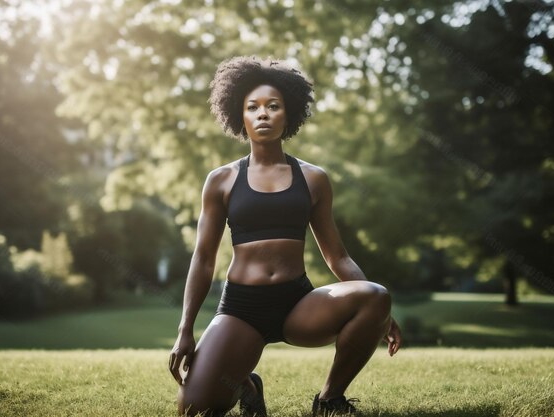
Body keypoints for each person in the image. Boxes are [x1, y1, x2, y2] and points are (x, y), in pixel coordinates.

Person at [168, 56, 402, 417]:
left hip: (298, 305)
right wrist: (185, 329)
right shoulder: (222, 180)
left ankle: (329, 399)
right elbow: (203, 258)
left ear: (288, 114)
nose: (263, 114)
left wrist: (380, 313)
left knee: (376, 295)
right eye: (253, 107)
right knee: (194, 408)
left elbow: (337, 255)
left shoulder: (313, 178)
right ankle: (247, 384)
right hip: (241, 309)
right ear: (240, 116)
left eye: (273, 106)